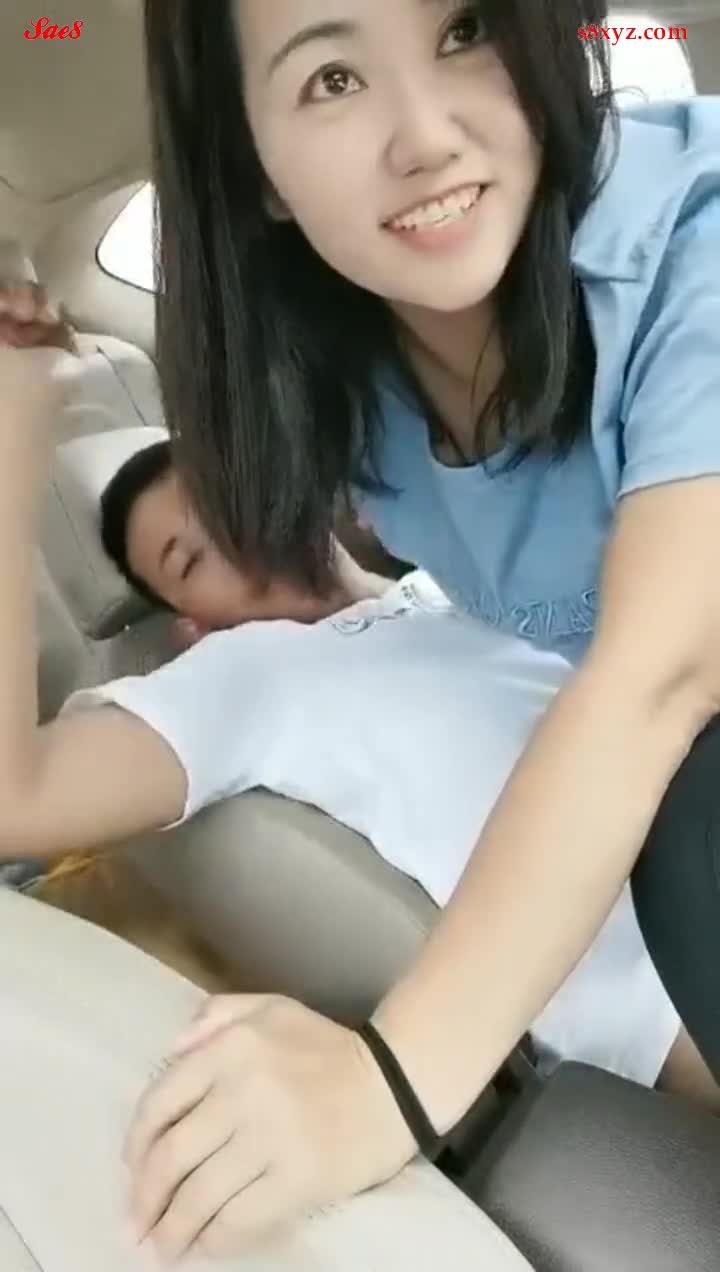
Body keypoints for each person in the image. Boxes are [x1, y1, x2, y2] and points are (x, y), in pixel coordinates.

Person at [126, 0, 720, 1255]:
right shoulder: (361, 417)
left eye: (465, 30)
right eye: (332, 79)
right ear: (256, 170)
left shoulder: (691, 227)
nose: (427, 136)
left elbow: (662, 674)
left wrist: (387, 1084)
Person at [0, 289, 717, 1260]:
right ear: (189, 623)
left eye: (224, 493)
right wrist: (18, 422)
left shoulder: (446, 578)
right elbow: (15, 796)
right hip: (668, 974)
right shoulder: (242, 678)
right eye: (189, 556)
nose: (235, 534)